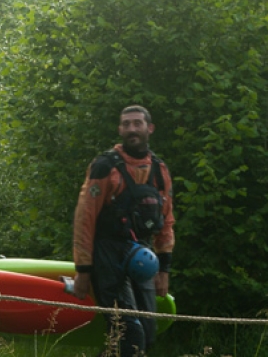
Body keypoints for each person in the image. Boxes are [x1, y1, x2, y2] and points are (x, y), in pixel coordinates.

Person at [72, 105, 175, 355]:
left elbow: (167, 220)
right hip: (107, 255)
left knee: (148, 333)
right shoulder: (105, 167)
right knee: (128, 331)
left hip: (143, 255)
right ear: (119, 129)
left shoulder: (159, 171)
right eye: (126, 124)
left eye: (137, 123)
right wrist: (83, 271)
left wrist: (164, 269)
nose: (131, 129)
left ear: (149, 128)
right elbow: (85, 219)